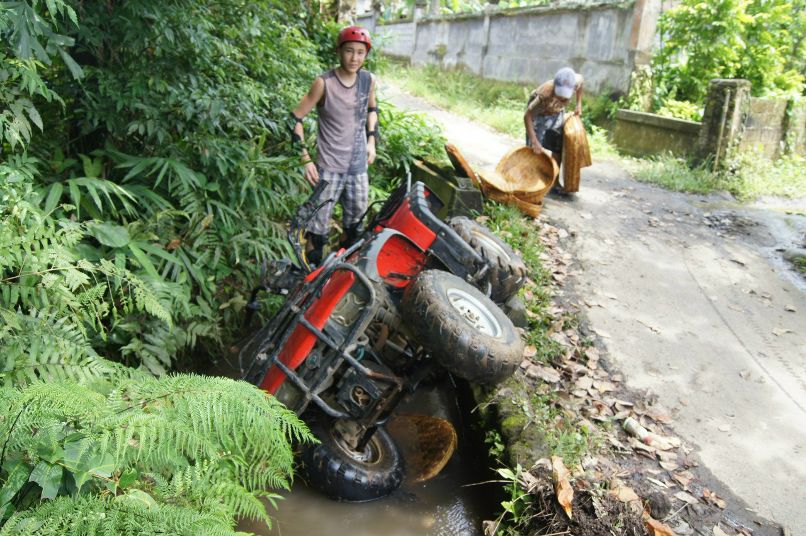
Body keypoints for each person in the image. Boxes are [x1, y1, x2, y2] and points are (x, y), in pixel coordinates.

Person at [290, 26, 379, 266]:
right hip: (329, 167)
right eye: (349, 51)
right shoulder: (324, 83)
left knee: (355, 226)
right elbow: (295, 118)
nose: (354, 58)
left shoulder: (367, 80)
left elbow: (372, 109)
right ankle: (310, 277)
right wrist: (305, 159)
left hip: (358, 166)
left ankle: (341, 272)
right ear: (339, 51)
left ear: (366, 55)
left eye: (360, 52)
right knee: (317, 229)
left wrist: (371, 140)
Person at [524, 67, 583, 193]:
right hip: (538, 116)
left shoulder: (575, 81)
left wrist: (579, 104)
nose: (562, 100)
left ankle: (553, 181)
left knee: (558, 146)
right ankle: (530, 184)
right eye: (559, 96)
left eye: (565, 98)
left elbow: (581, 81)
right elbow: (527, 116)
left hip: (556, 114)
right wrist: (534, 141)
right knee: (534, 151)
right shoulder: (544, 94)